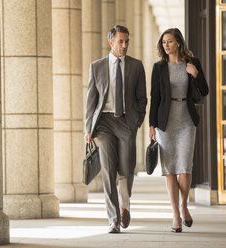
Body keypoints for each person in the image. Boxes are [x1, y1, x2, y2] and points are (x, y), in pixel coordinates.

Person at [84, 25, 147, 233]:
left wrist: (137, 121)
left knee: (127, 169)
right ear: (111, 42)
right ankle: (113, 219)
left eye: (127, 41)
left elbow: (142, 99)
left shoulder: (136, 66)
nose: (124, 45)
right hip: (104, 123)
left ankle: (124, 205)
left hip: (126, 122)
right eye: (120, 41)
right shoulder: (97, 67)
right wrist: (88, 128)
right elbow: (91, 101)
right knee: (108, 170)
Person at [149, 28, 209, 233]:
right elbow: (154, 98)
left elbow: (205, 90)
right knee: (170, 171)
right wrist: (151, 125)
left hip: (186, 121)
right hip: (166, 123)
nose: (166, 45)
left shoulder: (192, 62)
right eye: (164, 42)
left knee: (185, 168)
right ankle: (175, 213)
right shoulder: (158, 68)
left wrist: (196, 74)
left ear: (178, 43)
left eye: (170, 41)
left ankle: (184, 204)